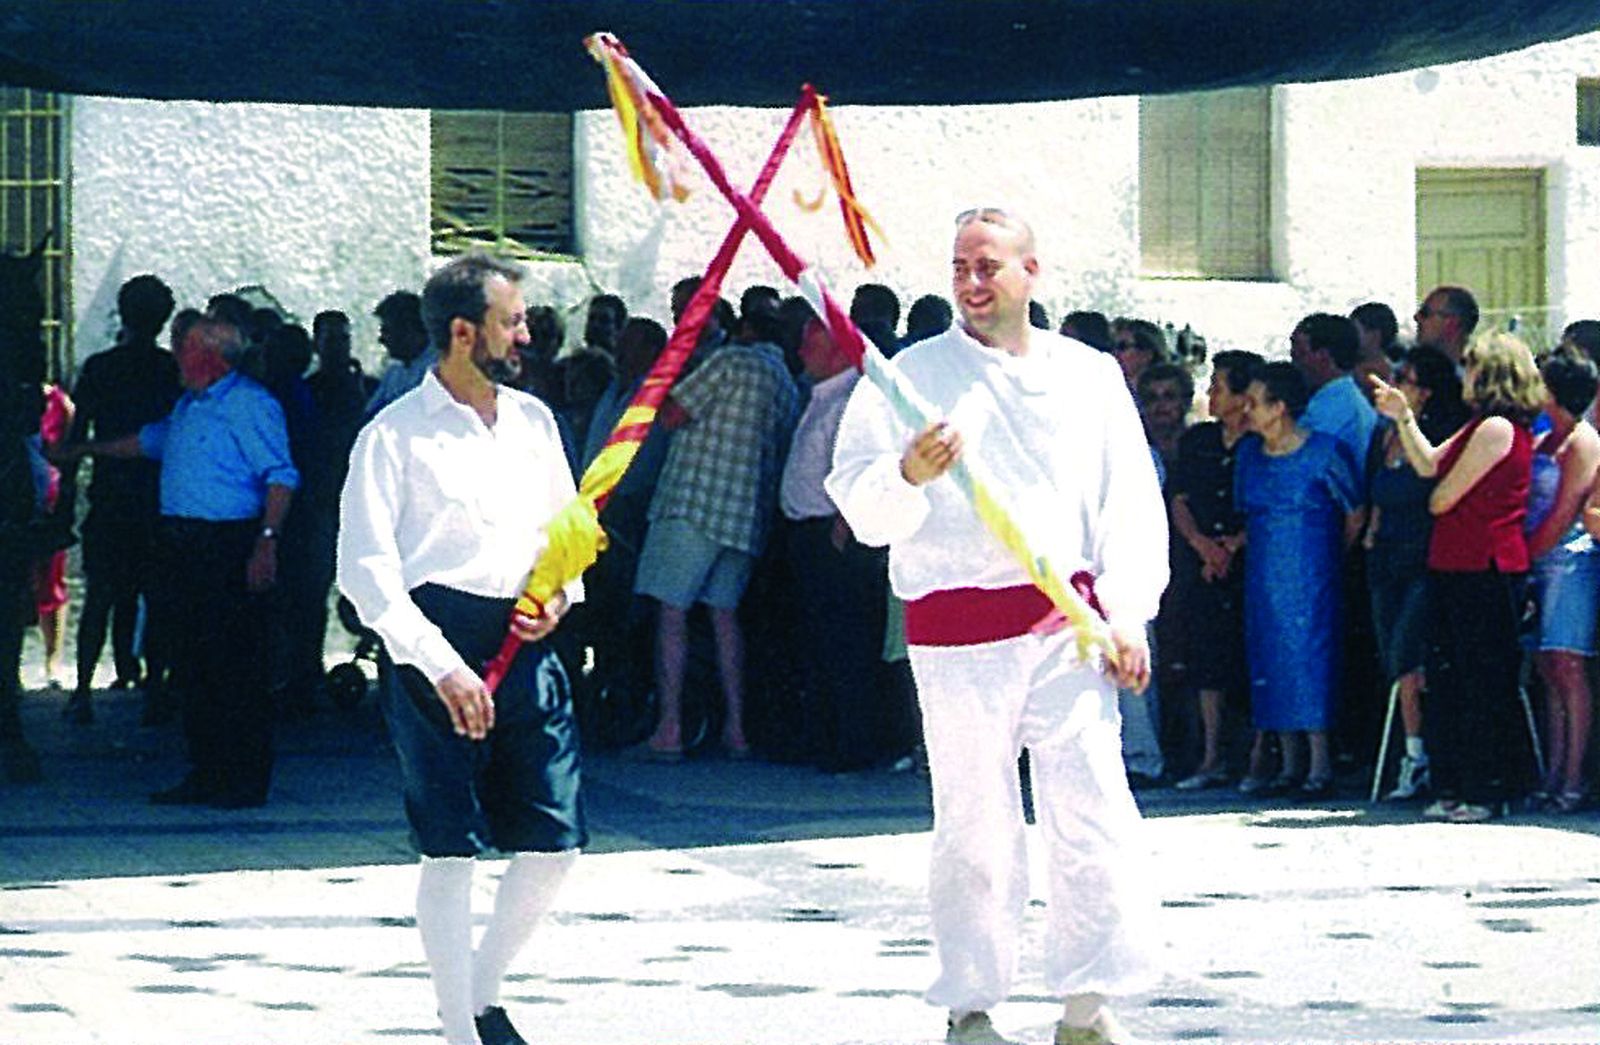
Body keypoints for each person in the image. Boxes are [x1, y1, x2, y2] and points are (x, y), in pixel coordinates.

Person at [827, 207, 1165, 1045]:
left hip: (1066, 625)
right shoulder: (909, 376)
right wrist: (907, 471)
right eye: (960, 269)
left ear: (1031, 271)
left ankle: (1087, 1004)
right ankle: (971, 1004)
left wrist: (1128, 615)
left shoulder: (1089, 376)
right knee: (975, 821)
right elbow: (858, 500)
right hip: (955, 631)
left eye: (989, 267)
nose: (973, 285)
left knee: (1090, 807)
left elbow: (1129, 504)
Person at [338, 253, 584, 1045]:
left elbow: (567, 532)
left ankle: (481, 992)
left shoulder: (536, 422)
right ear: (460, 331)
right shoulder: (392, 435)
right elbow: (366, 572)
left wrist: (561, 594)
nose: (525, 334)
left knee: (555, 841)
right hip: (431, 648)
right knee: (450, 848)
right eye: (511, 321)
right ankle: (458, 1029)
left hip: (525, 640)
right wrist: (438, 662)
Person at [68, 316, 298, 808]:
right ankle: (206, 770)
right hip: (183, 546)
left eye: (185, 348)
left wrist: (266, 543)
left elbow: (280, 476)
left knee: (235, 664)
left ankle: (243, 777)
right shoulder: (190, 404)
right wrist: (84, 448)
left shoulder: (249, 404)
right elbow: (150, 441)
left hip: (228, 544)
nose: (175, 356)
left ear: (212, 356)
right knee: (193, 662)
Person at [1371, 332, 1543, 823]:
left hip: (1486, 567)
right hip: (1453, 564)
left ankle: (1487, 788)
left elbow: (1442, 498)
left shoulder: (1498, 428)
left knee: (1482, 681)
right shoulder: (1476, 427)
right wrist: (1403, 416)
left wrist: (1440, 494)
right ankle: (1453, 783)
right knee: (1447, 680)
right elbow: (1427, 463)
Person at [634, 285, 799, 760]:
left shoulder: (730, 363)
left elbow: (670, 415)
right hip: (744, 515)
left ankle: (669, 728)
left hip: (695, 503)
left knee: (672, 613)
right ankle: (736, 728)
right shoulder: (784, 378)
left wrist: (672, 367)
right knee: (724, 619)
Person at [1234, 362, 1363, 798]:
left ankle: (1320, 763)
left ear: (1281, 406)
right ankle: (1288, 762)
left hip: (1312, 571)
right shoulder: (1249, 454)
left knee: (1313, 657)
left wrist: (1330, 556)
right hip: (1263, 573)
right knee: (1269, 657)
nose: (1245, 410)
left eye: (1254, 402)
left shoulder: (1326, 451)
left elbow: (1354, 512)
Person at [65, 275, 182, 722]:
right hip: (155, 500)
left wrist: (62, 505)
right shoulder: (169, 371)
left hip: (111, 497)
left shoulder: (99, 368)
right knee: (158, 598)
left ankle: (81, 691)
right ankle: (154, 690)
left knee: (100, 597)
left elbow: (77, 439)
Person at [779, 316, 891, 772]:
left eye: (813, 339)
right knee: (819, 642)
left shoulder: (853, 399)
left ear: (841, 349)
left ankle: (854, 743)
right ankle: (823, 735)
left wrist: (844, 525)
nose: (802, 348)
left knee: (846, 643)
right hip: (805, 532)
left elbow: (859, 464)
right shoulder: (820, 396)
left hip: (835, 536)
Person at [1364, 347, 1468, 800]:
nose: (1395, 384)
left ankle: (1418, 755)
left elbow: (1431, 480)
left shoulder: (1435, 436)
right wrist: (1371, 532)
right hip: (1384, 556)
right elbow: (1376, 491)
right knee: (1394, 658)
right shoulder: (1381, 435)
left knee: (1410, 656)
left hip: (1423, 555)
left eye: (1404, 378)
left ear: (1424, 391)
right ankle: (1414, 752)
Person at [1169, 350, 1261, 790]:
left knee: (1252, 659)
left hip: (1249, 565)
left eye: (1219, 387)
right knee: (1206, 660)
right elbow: (1180, 499)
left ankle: (1256, 758)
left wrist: (1234, 544)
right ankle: (1209, 756)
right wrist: (1203, 545)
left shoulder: (1261, 443)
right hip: (1203, 563)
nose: (1210, 394)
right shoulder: (1198, 441)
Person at [1523, 351, 1600, 813]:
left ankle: (1573, 776)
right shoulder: (1546, 439)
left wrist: (1525, 556)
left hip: (1569, 563)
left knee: (1569, 668)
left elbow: (1566, 509)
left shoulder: (1583, 441)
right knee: (1548, 670)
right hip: (1540, 561)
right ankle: (1552, 773)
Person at [366, 290, 436, 418]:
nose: (381, 340)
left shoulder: (442, 369)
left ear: (407, 329)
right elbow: (369, 417)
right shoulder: (393, 374)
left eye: (387, 331)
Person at [1415, 286, 1479, 367]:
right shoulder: (1404, 372)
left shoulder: (1477, 377)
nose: (1417, 317)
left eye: (1425, 313)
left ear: (1452, 324)